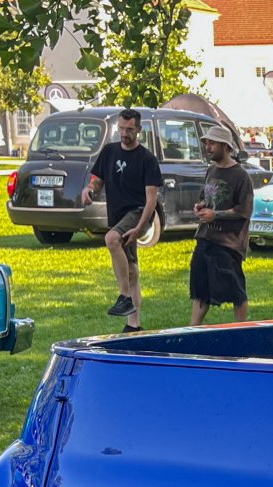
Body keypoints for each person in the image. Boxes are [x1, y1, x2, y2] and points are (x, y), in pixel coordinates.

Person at [83, 108, 161, 332]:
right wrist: (89, 189)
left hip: (138, 213)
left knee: (111, 239)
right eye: (122, 129)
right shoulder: (109, 152)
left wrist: (139, 227)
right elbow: (98, 180)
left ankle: (125, 296)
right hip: (117, 216)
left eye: (130, 130)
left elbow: (151, 199)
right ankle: (133, 325)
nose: (125, 133)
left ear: (139, 129)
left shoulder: (146, 159)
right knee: (133, 270)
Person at [190, 124, 253, 326]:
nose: (208, 147)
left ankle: (241, 331)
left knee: (236, 291)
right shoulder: (211, 170)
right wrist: (201, 206)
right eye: (206, 143)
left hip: (228, 243)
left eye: (212, 143)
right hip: (205, 238)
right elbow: (206, 197)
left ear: (225, 146)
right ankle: (192, 331)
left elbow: (244, 210)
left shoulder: (241, 176)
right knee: (199, 290)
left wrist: (215, 214)